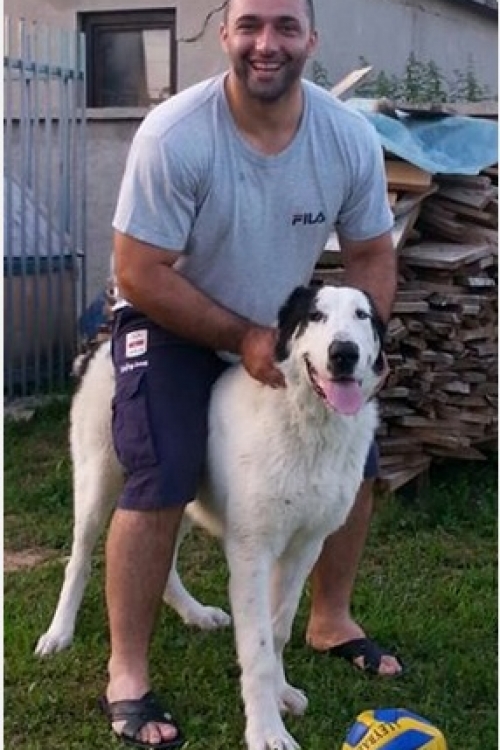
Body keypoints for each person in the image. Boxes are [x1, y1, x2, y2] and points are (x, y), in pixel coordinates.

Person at [101, 0, 401, 746]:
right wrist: (243, 336)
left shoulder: (346, 137)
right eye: (251, 26)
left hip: (283, 328)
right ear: (225, 35)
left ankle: (329, 621)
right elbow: (138, 270)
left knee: (355, 456)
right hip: (169, 318)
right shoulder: (175, 134)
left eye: (286, 27)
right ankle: (127, 672)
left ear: (312, 39)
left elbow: (371, 254)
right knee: (164, 465)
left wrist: (366, 346)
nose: (268, 43)